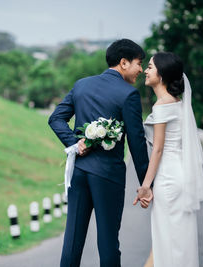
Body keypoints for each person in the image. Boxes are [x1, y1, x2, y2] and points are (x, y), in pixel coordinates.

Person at [48, 39, 150, 267]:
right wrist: (146, 185)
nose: (141, 70)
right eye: (138, 63)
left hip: (79, 172)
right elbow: (137, 143)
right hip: (108, 177)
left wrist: (75, 143)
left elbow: (55, 119)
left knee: (72, 242)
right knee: (108, 243)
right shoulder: (129, 95)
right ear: (123, 63)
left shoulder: (82, 85)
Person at [134, 52, 203, 267]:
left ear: (162, 74)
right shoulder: (177, 103)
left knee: (167, 239)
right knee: (176, 239)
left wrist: (145, 186)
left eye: (150, 67)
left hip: (167, 179)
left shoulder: (163, 105)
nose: (146, 71)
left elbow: (157, 150)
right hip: (179, 175)